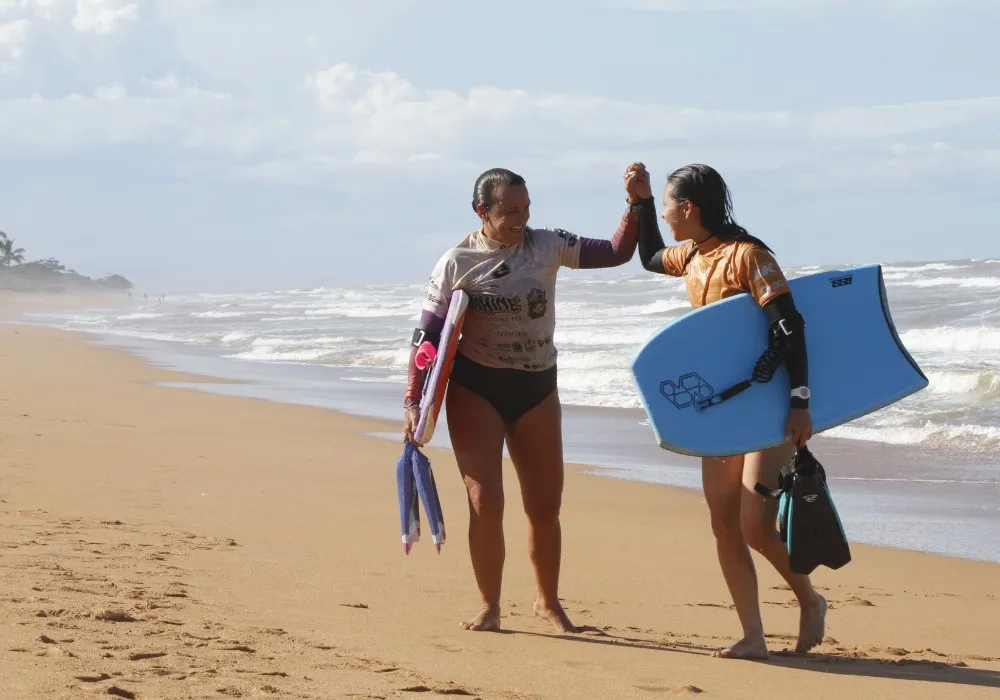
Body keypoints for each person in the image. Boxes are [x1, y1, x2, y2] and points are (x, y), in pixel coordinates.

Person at [402, 166, 643, 633]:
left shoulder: (547, 244)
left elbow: (616, 253)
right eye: (510, 211)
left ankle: (548, 602)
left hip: (536, 385)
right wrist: (414, 401)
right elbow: (428, 338)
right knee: (485, 502)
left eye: (526, 208)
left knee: (545, 505)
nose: (522, 218)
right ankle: (490, 606)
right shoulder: (457, 261)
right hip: (477, 386)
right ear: (482, 211)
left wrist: (635, 204)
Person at [630, 162, 827, 659]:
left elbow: (790, 327)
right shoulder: (694, 256)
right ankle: (753, 635)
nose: (670, 218)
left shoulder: (748, 256)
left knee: (754, 525)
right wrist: (643, 202)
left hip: (770, 407)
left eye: (671, 207)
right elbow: (651, 255)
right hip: (720, 409)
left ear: (690, 208)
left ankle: (809, 600)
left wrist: (800, 402)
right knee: (723, 524)